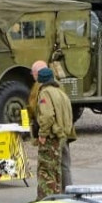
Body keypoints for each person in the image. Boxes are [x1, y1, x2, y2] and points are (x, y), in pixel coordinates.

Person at [29, 60, 74, 189]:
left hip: (53, 134)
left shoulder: (44, 91)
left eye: (34, 73)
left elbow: (47, 114)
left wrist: (42, 133)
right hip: (63, 132)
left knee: (48, 169)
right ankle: (66, 192)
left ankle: (50, 196)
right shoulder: (59, 89)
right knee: (62, 165)